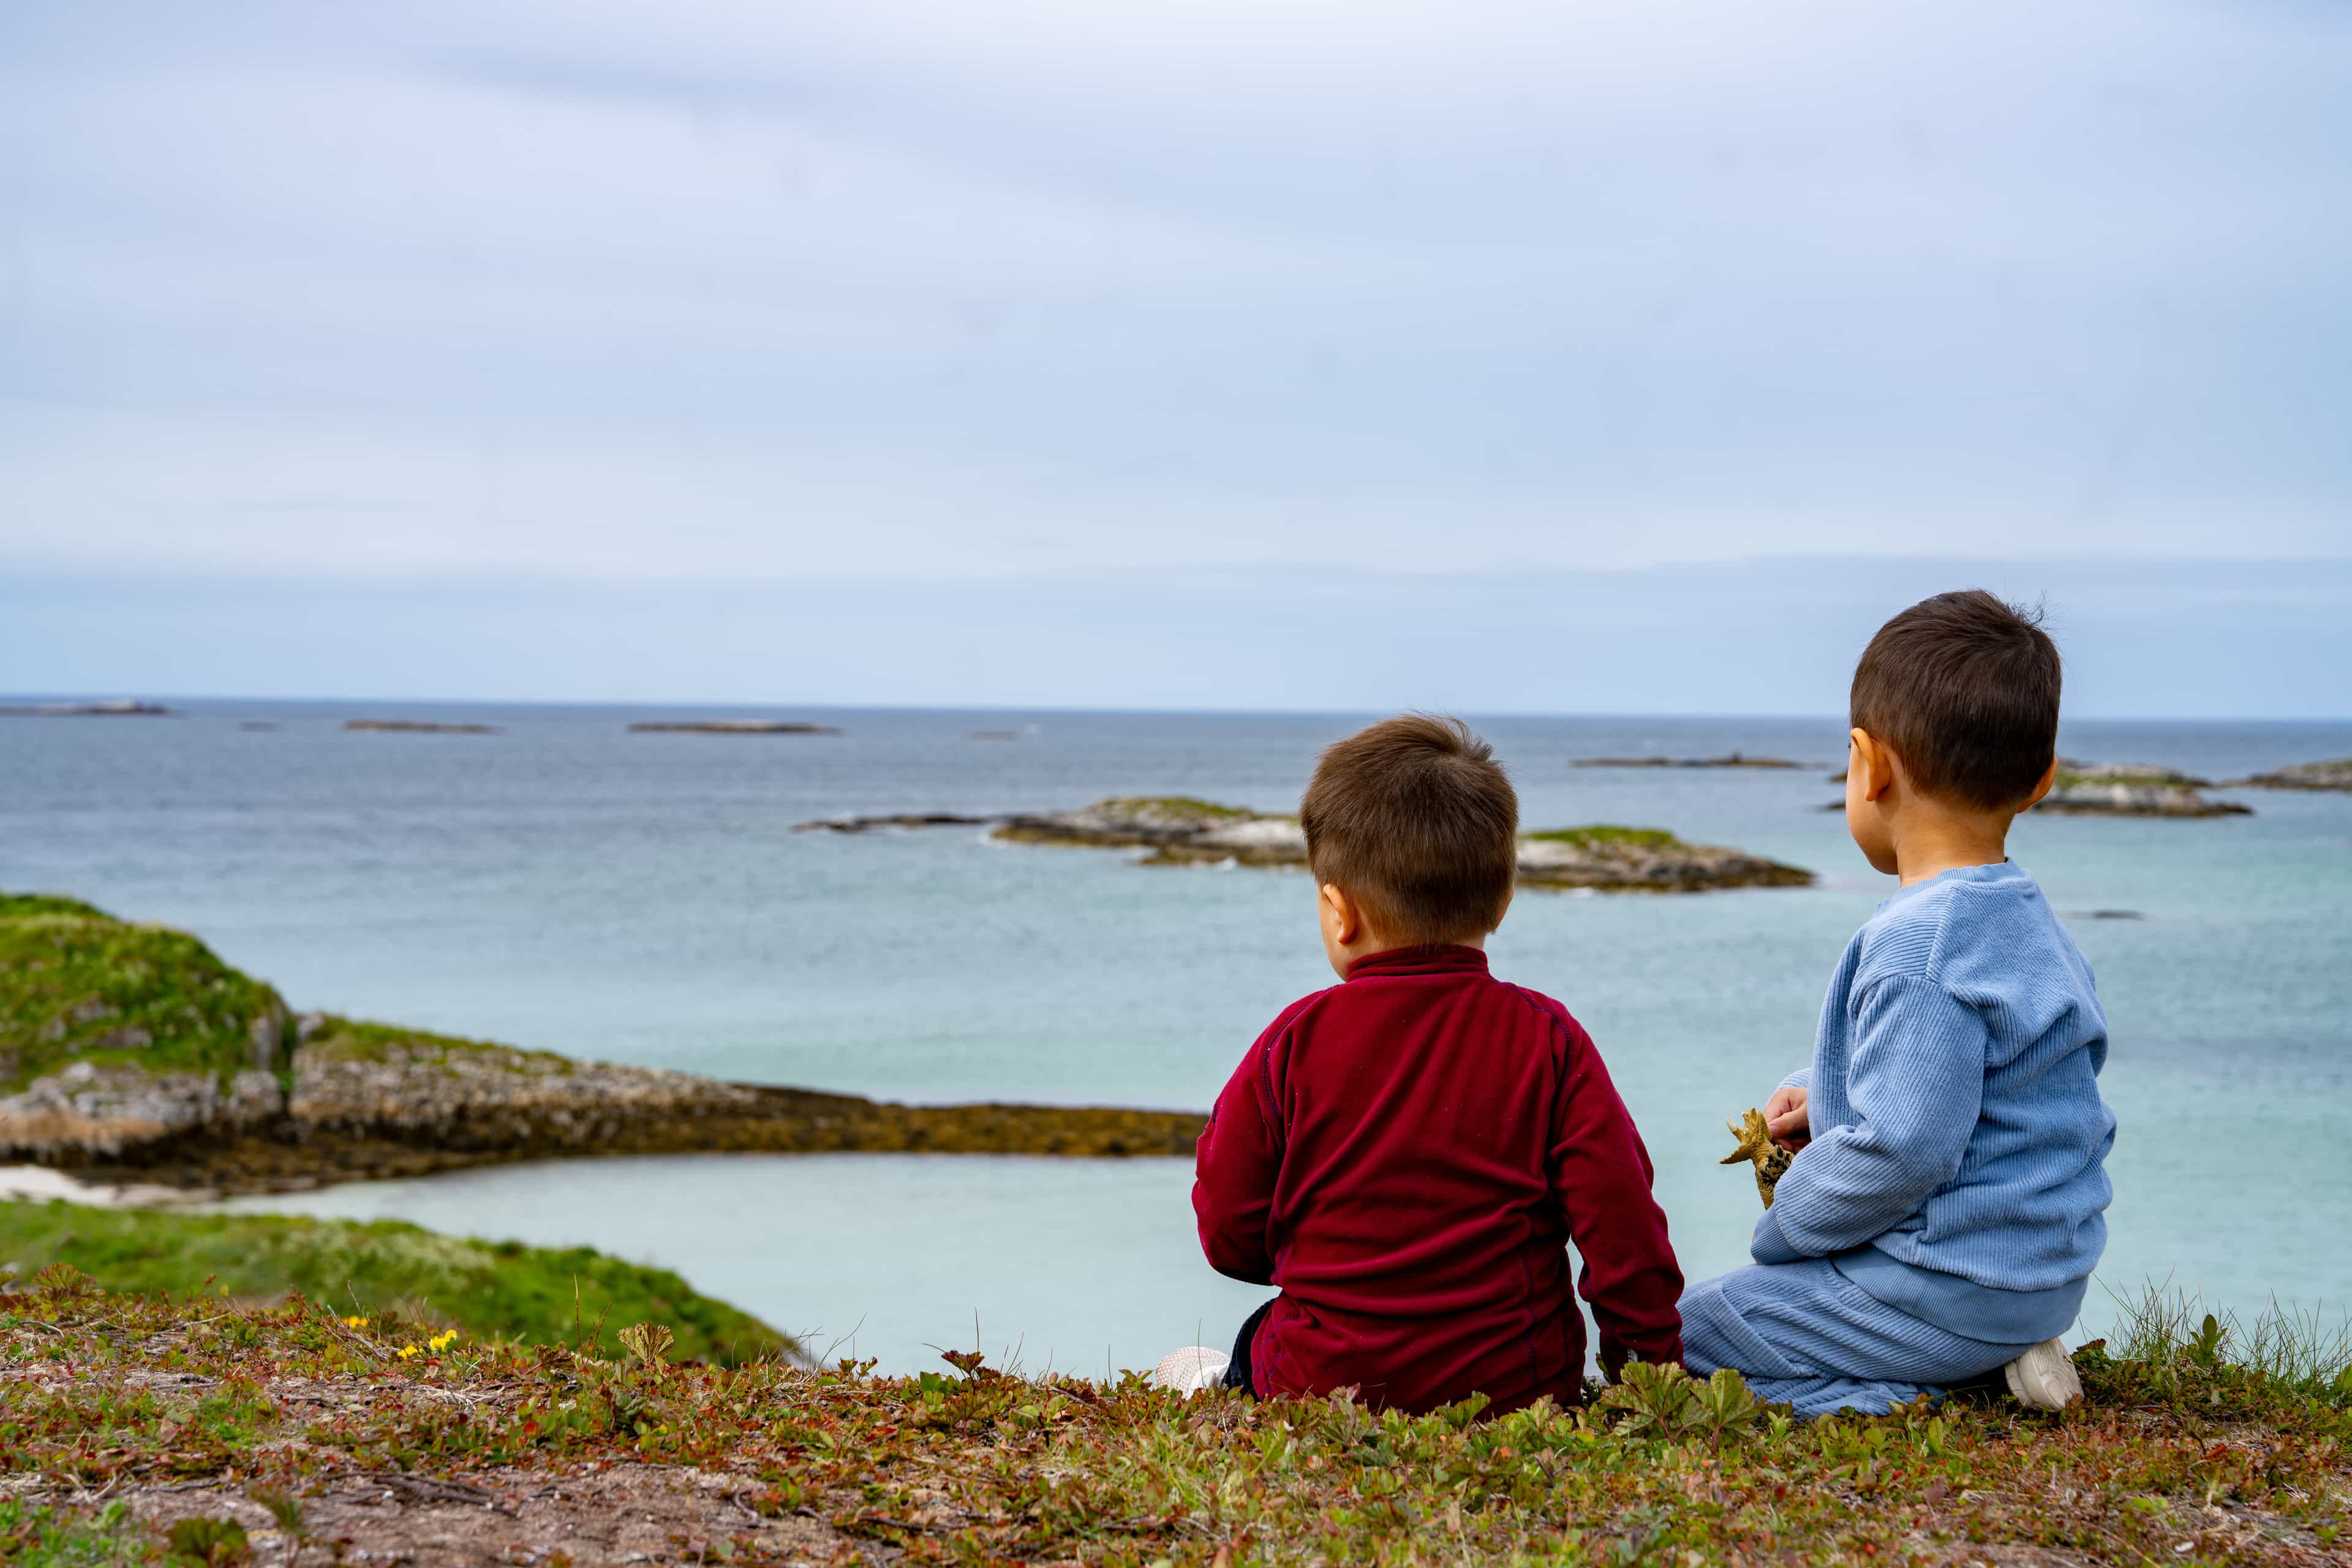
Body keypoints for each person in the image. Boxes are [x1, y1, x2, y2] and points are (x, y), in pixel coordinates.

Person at [1155, 715, 1684, 1411]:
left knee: (1242, 1346)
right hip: (1519, 1395)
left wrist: (1323, 1268)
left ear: (1338, 913)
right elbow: (1624, 1234)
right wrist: (1647, 1377)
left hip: (1321, 1387)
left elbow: (1228, 1234)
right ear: (1501, 903)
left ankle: (1209, 1386)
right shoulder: (1551, 1040)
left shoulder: (1293, 1041)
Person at [1679, 590, 2116, 1417]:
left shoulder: (1920, 946)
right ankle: (1985, 1355)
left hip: (1947, 1286)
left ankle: (1912, 1394)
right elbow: (1999, 1081)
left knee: (1694, 1332)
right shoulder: (2030, 922)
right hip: (2045, 1278)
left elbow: (1901, 1152)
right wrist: (1829, 1091)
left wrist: (1787, 1230)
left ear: (1868, 765)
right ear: (2043, 781)